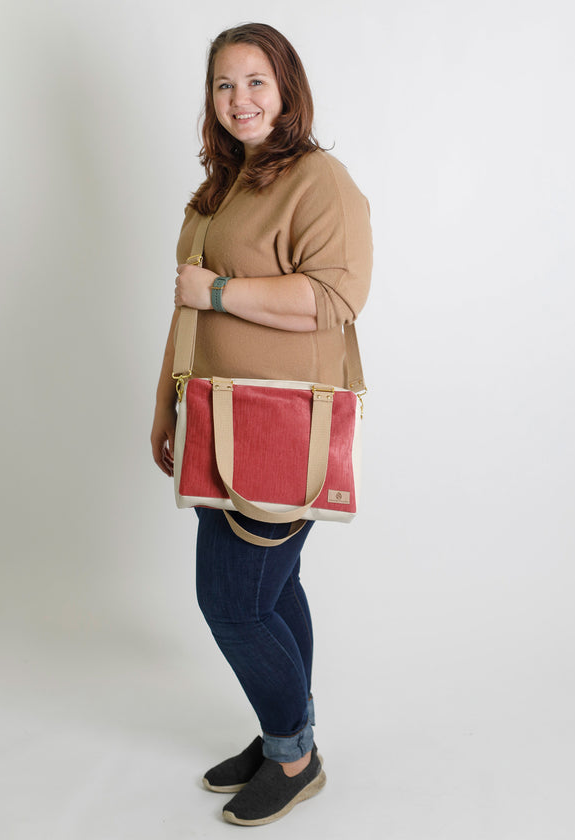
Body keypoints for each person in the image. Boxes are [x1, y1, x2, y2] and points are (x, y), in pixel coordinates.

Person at [150, 23, 372, 827]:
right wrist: (167, 403)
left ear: (286, 89)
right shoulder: (219, 188)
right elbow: (184, 307)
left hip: (278, 424)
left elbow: (333, 299)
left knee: (234, 604)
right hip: (215, 416)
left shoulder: (320, 180)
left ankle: (294, 756)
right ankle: (290, 732)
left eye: (254, 81)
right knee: (276, 589)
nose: (239, 99)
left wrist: (215, 291)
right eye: (222, 84)